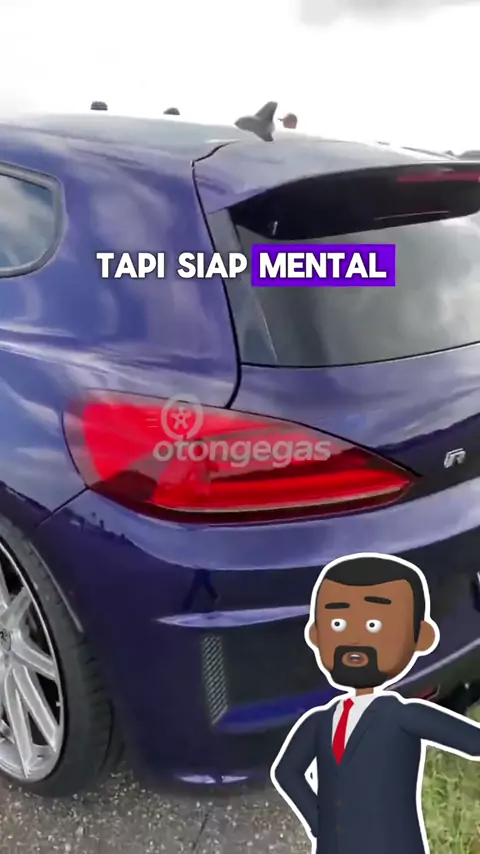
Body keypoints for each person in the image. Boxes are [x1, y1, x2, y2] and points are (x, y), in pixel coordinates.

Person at [271, 552, 480, 854]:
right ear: (316, 634)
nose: (354, 639)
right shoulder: (319, 722)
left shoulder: (403, 716)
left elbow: (473, 742)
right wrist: (319, 822)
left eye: (373, 625)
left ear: (421, 637)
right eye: (338, 623)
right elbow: (286, 771)